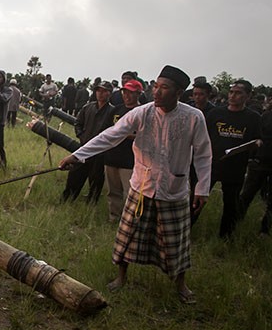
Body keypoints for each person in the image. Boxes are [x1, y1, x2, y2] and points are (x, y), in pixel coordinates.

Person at [59, 65, 210, 304]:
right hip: (142, 186)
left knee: (176, 242)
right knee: (127, 236)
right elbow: (110, 135)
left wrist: (202, 188)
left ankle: (181, 284)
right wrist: (78, 155)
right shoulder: (143, 112)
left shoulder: (193, 117)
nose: (157, 92)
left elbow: (203, 154)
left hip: (173, 189)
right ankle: (121, 277)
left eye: (164, 88)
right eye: (156, 86)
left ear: (179, 92)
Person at [195, 79, 261, 238]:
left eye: (238, 93)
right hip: (212, 164)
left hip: (236, 167)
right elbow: (203, 137)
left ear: (248, 95)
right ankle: (185, 229)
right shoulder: (216, 113)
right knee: (197, 199)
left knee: (231, 204)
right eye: (231, 92)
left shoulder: (253, 117)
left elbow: (257, 139)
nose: (233, 96)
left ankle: (225, 237)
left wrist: (256, 144)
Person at [61, 80, 114, 203]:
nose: (100, 94)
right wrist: (82, 136)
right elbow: (78, 123)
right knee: (75, 176)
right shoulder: (88, 107)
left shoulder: (112, 111)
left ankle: (91, 203)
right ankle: (67, 200)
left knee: (96, 179)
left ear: (109, 94)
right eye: (98, 90)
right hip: (83, 149)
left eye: (104, 91)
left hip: (100, 152)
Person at [102, 80, 142, 221]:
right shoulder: (116, 110)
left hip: (130, 160)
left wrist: (125, 135)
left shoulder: (142, 112)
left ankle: (129, 220)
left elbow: (145, 136)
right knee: (113, 192)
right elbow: (106, 130)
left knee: (130, 193)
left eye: (130, 92)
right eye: (124, 92)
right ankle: (114, 217)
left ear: (138, 93)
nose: (127, 95)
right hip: (112, 157)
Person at [239, 97, 272, 233]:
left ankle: (265, 229)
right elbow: (257, 137)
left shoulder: (265, 115)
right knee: (246, 195)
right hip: (260, 161)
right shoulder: (266, 116)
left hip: (260, 160)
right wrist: (253, 158)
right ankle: (236, 222)